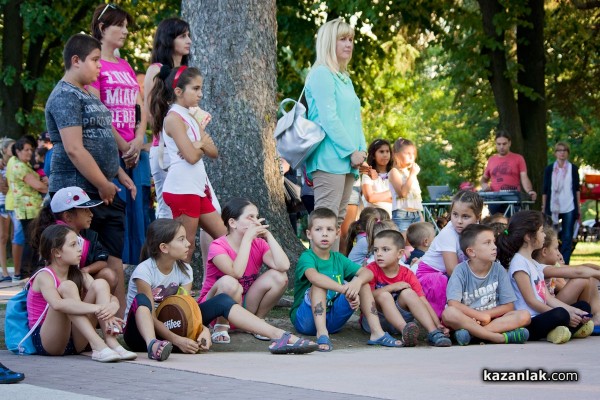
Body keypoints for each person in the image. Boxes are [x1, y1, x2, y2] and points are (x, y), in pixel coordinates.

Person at [124, 219, 317, 360]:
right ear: (164, 247)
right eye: (181, 239)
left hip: (173, 326)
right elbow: (149, 315)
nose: (188, 243)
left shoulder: (185, 270)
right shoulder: (144, 271)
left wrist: (201, 330)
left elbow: (185, 308)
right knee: (142, 303)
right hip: (140, 334)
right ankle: (152, 346)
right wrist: (177, 339)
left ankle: (279, 336)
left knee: (222, 301)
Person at [44, 33, 136, 318]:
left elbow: (101, 140)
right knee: (72, 257)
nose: (100, 66)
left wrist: (119, 173)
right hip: (78, 190)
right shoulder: (64, 96)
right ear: (75, 60)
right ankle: (71, 321)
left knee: (113, 257)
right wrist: (103, 183)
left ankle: (117, 319)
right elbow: (74, 148)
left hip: (105, 188)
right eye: (95, 60)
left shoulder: (87, 93)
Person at [290, 208, 402, 351]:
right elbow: (314, 277)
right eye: (318, 229)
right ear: (309, 234)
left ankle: (377, 333)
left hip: (333, 320)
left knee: (363, 283)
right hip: (306, 321)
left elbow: (367, 273)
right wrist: (345, 289)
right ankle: (322, 333)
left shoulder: (339, 259)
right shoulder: (307, 257)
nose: (324, 233)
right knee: (319, 285)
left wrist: (356, 283)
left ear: (337, 234)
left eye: (329, 229)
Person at [148, 65, 227, 263]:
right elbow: (192, 157)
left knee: (225, 237)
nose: (200, 94)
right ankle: (179, 292)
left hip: (196, 188)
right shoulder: (173, 118)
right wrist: (201, 144)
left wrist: (197, 145)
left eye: (201, 88)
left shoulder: (189, 117)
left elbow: (214, 151)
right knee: (185, 247)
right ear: (178, 91)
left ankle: (202, 286)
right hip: (182, 188)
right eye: (196, 88)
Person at [89, 4, 148, 266]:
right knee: (115, 214)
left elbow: (140, 105)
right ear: (102, 28)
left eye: (127, 26)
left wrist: (137, 139)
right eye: (120, 26)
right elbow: (96, 110)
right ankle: (116, 267)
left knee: (139, 214)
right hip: (108, 151)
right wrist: (123, 144)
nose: (125, 31)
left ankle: (138, 267)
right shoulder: (92, 64)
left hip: (134, 151)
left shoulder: (125, 65)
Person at [27, 224, 136, 362]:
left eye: (78, 244)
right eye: (73, 245)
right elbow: (57, 304)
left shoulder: (78, 274)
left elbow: (109, 296)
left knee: (100, 284)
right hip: (49, 342)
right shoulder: (44, 276)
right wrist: (99, 308)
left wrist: (113, 305)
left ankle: (112, 343)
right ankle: (98, 345)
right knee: (67, 287)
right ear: (56, 252)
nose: (79, 249)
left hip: (75, 339)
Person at [304, 18, 368, 252]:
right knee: (325, 223)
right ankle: (317, 281)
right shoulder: (322, 73)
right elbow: (328, 118)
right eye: (342, 39)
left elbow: (354, 120)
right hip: (329, 159)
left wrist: (362, 152)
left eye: (350, 39)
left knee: (336, 222)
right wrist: (351, 151)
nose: (348, 44)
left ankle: (329, 278)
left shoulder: (344, 78)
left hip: (348, 160)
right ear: (329, 42)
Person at [199, 198, 289, 343]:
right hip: (213, 310)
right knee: (230, 282)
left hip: (243, 306)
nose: (256, 221)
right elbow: (236, 273)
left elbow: (283, 266)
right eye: (250, 217)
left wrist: (268, 236)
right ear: (232, 223)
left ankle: (256, 322)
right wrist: (247, 240)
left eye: (256, 216)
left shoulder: (258, 243)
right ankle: (221, 327)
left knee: (279, 276)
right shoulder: (218, 246)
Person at [498, 210, 593, 343]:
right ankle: (560, 330)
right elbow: (531, 301)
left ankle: (559, 331)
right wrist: (565, 313)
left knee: (583, 307)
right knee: (561, 314)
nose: (544, 235)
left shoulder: (534, 263)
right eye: (541, 231)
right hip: (530, 321)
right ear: (528, 237)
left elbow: (546, 297)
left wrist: (573, 310)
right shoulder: (518, 263)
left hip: (544, 315)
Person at [442, 224, 531, 345]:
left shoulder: (498, 269)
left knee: (525, 315)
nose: (494, 247)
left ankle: (473, 335)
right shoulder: (460, 270)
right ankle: (498, 338)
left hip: (492, 320)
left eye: (493, 242)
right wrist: (479, 316)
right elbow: (453, 303)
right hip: (467, 319)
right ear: (471, 252)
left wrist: (486, 315)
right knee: (449, 313)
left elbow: (508, 306)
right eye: (487, 243)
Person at [364, 229, 451, 347]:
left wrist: (437, 324)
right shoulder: (371, 270)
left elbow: (422, 301)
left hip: (403, 317)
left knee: (409, 293)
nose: (378, 253)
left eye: (385, 249)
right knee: (384, 295)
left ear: (400, 253)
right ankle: (404, 330)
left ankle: (433, 333)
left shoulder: (407, 274)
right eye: (376, 250)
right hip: (378, 320)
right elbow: (366, 297)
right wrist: (393, 287)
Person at [144, 17, 192, 219]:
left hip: (187, 149)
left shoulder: (188, 72)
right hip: (165, 148)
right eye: (182, 36)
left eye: (188, 35)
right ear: (168, 39)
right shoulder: (156, 70)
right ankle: (158, 251)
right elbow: (150, 114)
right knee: (166, 211)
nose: (188, 40)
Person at [29, 186, 115, 291]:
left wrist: (86, 270)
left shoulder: (88, 235)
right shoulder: (53, 237)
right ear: (68, 216)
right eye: (85, 210)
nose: (91, 214)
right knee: (69, 287)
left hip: (76, 281)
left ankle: (98, 306)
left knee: (108, 275)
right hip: (56, 288)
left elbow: (102, 259)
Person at [416, 191, 484, 318]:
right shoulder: (448, 234)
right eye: (455, 214)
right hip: (430, 276)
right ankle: (443, 320)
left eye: (465, 217)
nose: (458, 221)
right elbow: (452, 270)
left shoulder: (478, 231)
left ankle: (472, 317)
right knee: (443, 282)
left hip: (454, 275)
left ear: (478, 217)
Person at [533, 226, 600, 333]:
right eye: (556, 248)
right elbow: (577, 271)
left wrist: (597, 270)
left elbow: (580, 267)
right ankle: (592, 317)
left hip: (553, 305)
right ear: (544, 252)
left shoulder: (550, 267)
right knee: (582, 279)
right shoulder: (542, 268)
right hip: (546, 310)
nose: (559, 253)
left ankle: (590, 315)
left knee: (588, 277)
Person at [6, 137, 48, 279]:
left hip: (29, 208)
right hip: (27, 209)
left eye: (31, 149)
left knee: (31, 240)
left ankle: (29, 272)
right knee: (31, 241)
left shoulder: (19, 163)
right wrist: (47, 186)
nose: (30, 152)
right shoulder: (20, 166)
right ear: (17, 151)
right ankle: (27, 273)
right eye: (26, 150)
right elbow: (39, 186)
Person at [480, 130, 537, 215]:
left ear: (509, 143)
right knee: (496, 226)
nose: (501, 147)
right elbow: (484, 179)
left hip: (513, 199)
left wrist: (529, 191)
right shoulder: (491, 160)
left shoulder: (518, 158)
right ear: (495, 144)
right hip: (495, 200)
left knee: (512, 226)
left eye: (504, 144)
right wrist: (484, 185)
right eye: (498, 144)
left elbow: (524, 177)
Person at [541, 142, 580, 264]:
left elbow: (577, 189)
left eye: (564, 150)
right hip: (552, 207)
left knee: (567, 237)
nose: (562, 152)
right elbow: (545, 189)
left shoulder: (573, 169)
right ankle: (551, 261)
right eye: (559, 150)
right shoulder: (549, 169)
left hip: (569, 205)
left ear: (568, 153)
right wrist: (543, 207)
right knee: (551, 236)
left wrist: (578, 209)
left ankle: (564, 263)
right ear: (555, 153)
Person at [389, 138, 423, 234]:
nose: (411, 157)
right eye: (407, 153)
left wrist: (420, 215)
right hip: (402, 214)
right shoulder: (394, 172)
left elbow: (416, 198)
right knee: (403, 246)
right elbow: (402, 193)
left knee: (419, 243)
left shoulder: (410, 173)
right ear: (396, 155)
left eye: (413, 154)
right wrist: (412, 175)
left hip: (416, 213)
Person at [362, 138, 393, 217]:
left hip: (393, 218)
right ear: (373, 155)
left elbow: (401, 199)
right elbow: (370, 198)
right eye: (381, 151)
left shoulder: (394, 174)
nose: (385, 154)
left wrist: (377, 197)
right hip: (373, 218)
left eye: (387, 151)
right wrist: (392, 192)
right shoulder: (367, 174)